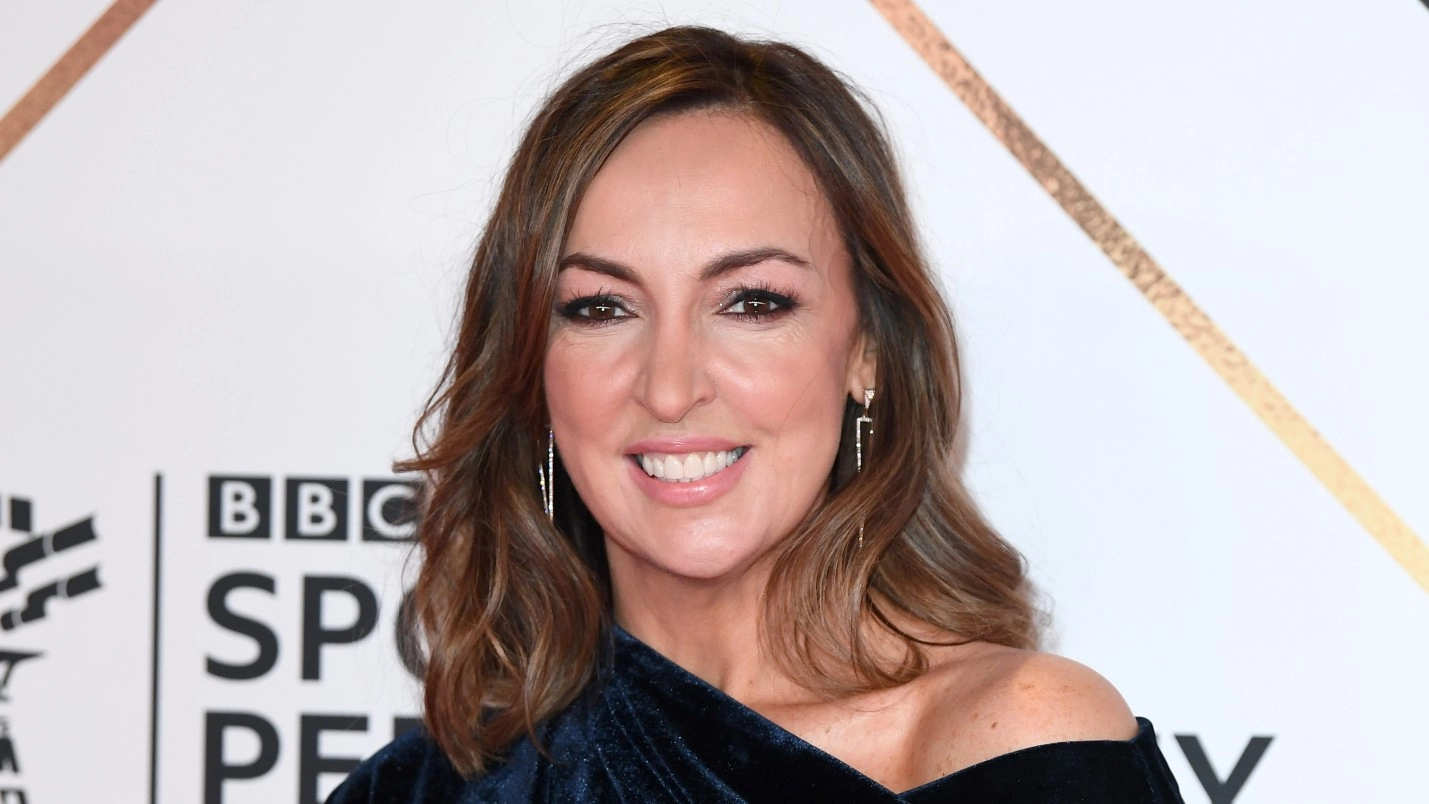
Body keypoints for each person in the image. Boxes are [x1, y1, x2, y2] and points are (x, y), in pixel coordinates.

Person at [329, 25, 1182, 803]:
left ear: (866, 350)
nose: (670, 388)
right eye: (600, 308)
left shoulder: (1014, 740)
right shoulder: (415, 793)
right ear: (528, 368)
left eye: (752, 302)